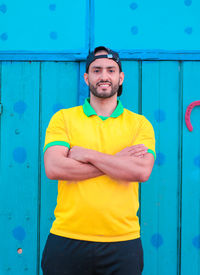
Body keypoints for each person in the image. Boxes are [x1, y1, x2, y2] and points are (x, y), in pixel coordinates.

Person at [41, 46, 156, 275]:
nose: (104, 76)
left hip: (123, 242)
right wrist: (117, 162)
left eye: (111, 70)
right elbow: (54, 167)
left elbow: (141, 172)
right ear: (86, 78)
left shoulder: (140, 124)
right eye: (97, 70)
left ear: (120, 77)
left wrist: (88, 155)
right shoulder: (63, 118)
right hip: (67, 238)